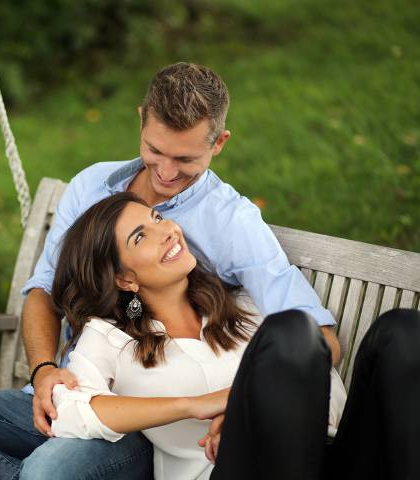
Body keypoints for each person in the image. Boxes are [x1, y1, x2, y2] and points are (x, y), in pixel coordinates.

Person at [0, 62, 344, 479]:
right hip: (71, 393)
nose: (165, 175)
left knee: (49, 471)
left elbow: (312, 337)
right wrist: (42, 373)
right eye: (155, 151)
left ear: (219, 143)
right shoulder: (92, 186)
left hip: (145, 425)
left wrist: (238, 403)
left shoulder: (232, 223)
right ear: (141, 119)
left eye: (186, 160)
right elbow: (43, 290)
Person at [48, 191, 420, 480]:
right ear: (125, 279)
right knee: (291, 331)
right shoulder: (108, 338)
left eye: (157, 216)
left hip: (319, 461)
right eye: (142, 236)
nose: (168, 231)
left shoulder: (243, 306)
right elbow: (68, 410)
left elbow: (324, 377)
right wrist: (198, 404)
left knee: (401, 333)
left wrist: (256, 411)